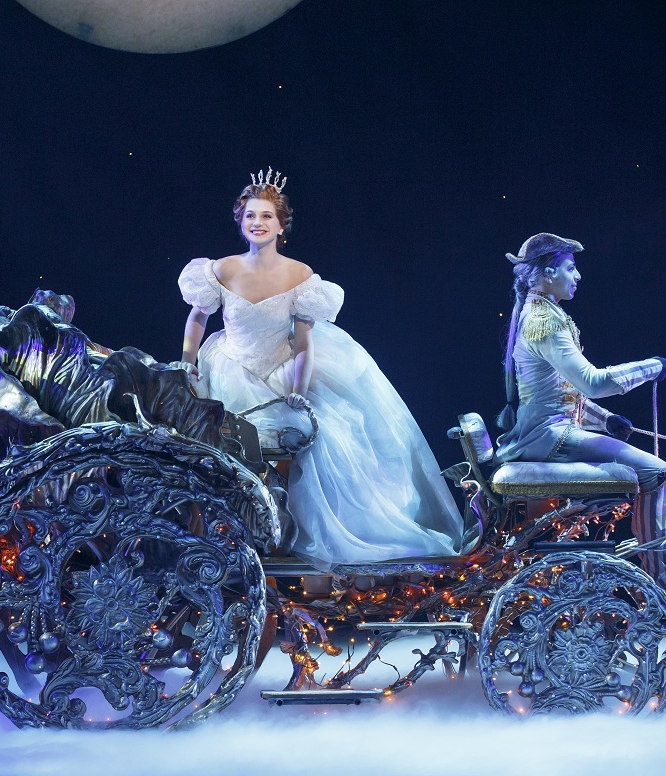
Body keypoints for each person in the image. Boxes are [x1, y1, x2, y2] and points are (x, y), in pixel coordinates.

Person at [176, 170, 463, 567]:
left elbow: (304, 344)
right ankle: (227, 538)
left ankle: (305, 539)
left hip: (285, 367)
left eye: (266, 217)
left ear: (280, 225)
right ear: (240, 221)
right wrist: (188, 363)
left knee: (334, 439)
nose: (257, 223)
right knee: (207, 437)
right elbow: (197, 318)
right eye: (250, 216)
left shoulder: (300, 275)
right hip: (230, 368)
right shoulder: (220, 269)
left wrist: (299, 389)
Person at [493, 233, 666, 608]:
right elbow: (593, 383)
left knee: (652, 469)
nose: (577, 275)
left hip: (550, 431)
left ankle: (647, 568)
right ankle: (658, 580)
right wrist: (651, 366)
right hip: (550, 437)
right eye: (570, 267)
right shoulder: (544, 322)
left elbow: (561, 392)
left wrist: (606, 418)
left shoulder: (542, 314)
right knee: (658, 473)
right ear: (548, 273)